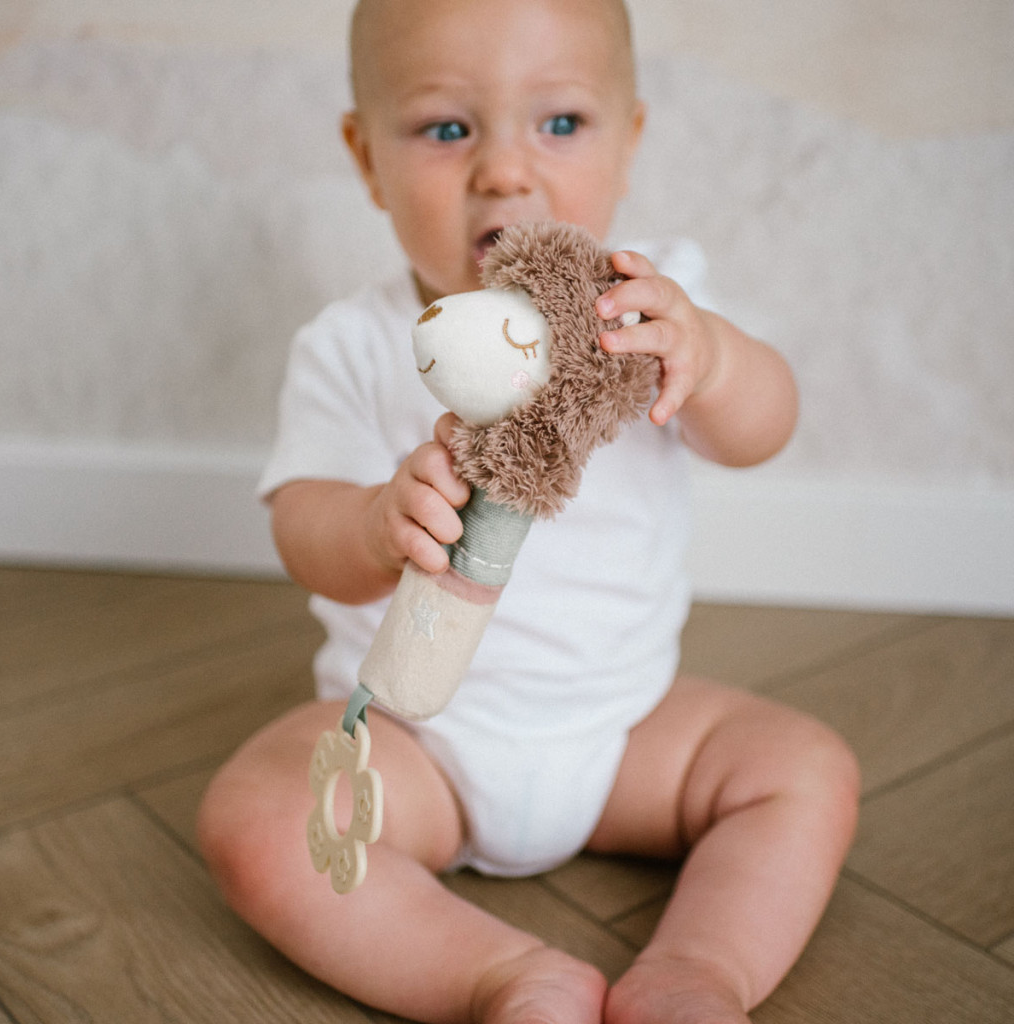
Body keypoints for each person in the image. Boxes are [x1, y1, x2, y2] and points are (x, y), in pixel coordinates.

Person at [197, 1, 861, 1022]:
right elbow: (301, 526)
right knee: (257, 821)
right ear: (366, 158)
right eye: (446, 128)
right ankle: (501, 977)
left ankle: (698, 971)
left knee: (806, 771)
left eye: (559, 123)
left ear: (628, 141)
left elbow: (761, 430)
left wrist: (716, 361)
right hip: (417, 749)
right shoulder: (350, 343)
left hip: (628, 728)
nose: (504, 172)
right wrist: (374, 523)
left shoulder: (651, 308)